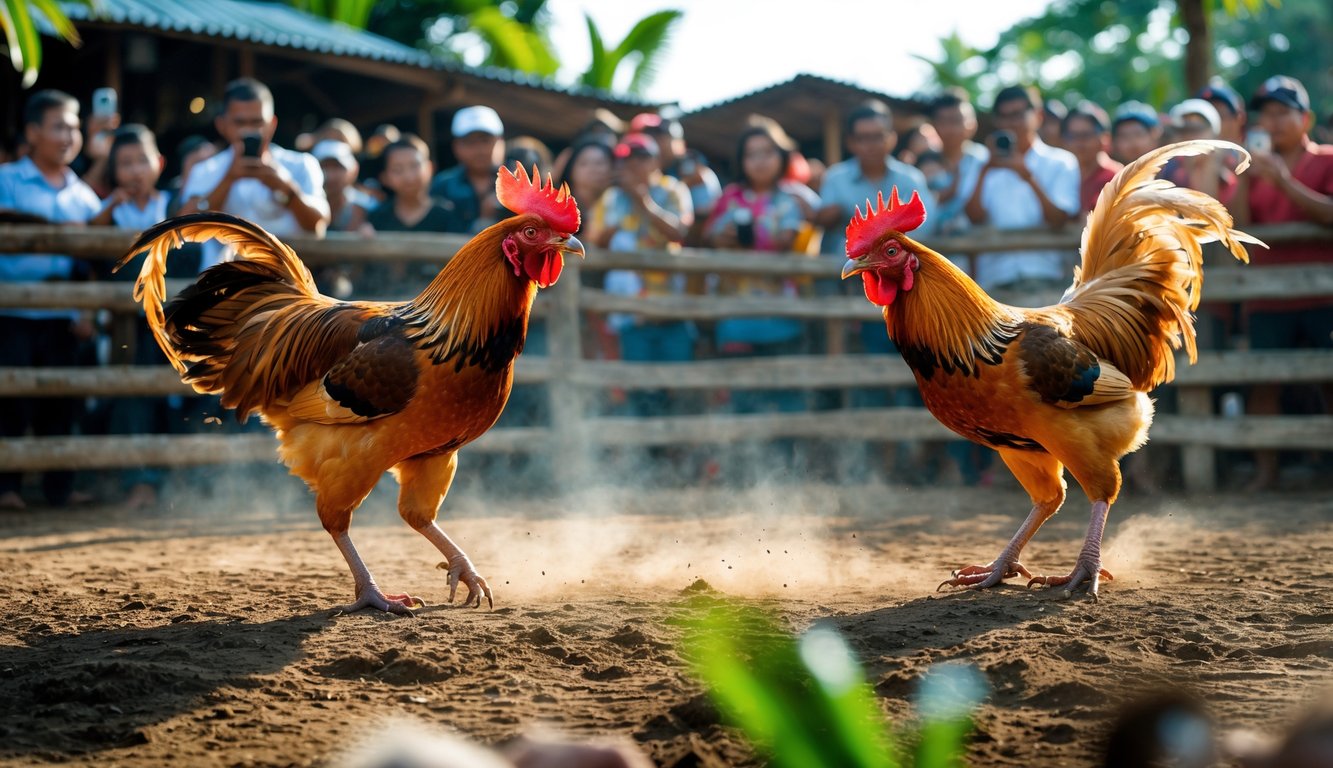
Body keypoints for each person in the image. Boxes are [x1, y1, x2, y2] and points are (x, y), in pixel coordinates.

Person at [1230, 75, 1333, 491]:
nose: (1271, 121)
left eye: (1281, 112)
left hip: (1323, 293)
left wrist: (1282, 181)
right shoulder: (1255, 168)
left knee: (1330, 379)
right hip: (1266, 297)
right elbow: (1239, 224)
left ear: (1304, 118)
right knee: (1263, 380)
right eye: (1265, 113)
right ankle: (1266, 469)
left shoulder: (1327, 159)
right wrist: (1245, 177)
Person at [0, 89, 102, 509]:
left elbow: (96, 260)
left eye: (75, 127)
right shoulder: (6, 180)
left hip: (63, 314)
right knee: (10, 401)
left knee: (63, 401)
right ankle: (6, 489)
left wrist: (86, 310)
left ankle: (60, 487)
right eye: (59, 126)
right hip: (12, 310)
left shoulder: (83, 194)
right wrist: (56, 230)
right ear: (32, 132)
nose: (69, 136)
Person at [85, 125, 175, 509]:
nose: (135, 170)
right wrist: (107, 209)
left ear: (159, 163)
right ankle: (138, 482)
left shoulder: (175, 204)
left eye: (142, 160)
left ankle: (171, 484)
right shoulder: (107, 213)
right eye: (125, 164)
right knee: (131, 397)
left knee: (172, 398)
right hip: (128, 325)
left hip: (175, 322)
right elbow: (89, 251)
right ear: (113, 173)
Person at [587, 132, 694, 421]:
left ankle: (677, 456)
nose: (633, 165)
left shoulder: (672, 190)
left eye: (641, 158)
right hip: (630, 313)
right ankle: (647, 459)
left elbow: (679, 231)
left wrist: (643, 201)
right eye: (626, 159)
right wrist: (606, 235)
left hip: (670, 309)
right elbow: (590, 243)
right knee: (638, 390)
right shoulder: (611, 198)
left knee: (678, 388)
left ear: (656, 160)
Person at [180, 77, 329, 269]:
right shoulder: (206, 170)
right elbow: (183, 229)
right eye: (240, 123)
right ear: (222, 125)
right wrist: (228, 180)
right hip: (223, 286)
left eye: (257, 122)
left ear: (272, 124)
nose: (249, 131)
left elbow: (318, 225)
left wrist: (284, 187)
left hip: (289, 286)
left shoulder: (301, 165)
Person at [965, 85, 1080, 298]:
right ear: (996, 121)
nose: (1011, 122)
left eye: (1018, 114)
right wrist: (985, 170)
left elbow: (1058, 219)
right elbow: (974, 218)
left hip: (1047, 278)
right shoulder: (982, 163)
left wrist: (1028, 177)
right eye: (1004, 116)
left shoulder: (1060, 162)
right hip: (994, 281)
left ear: (1038, 115)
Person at [359, 135, 460, 296]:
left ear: (430, 168)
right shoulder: (377, 218)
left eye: (415, 166)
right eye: (398, 170)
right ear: (385, 178)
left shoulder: (446, 215)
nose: (408, 176)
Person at [632, 112, 721, 246]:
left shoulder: (695, 170)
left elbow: (699, 227)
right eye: (650, 135)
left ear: (679, 142)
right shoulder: (652, 174)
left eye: (660, 135)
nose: (654, 141)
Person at [429, 105, 507, 234]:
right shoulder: (441, 186)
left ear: (500, 141)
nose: (479, 150)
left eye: (485, 141)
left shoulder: (520, 183)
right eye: (470, 142)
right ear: (456, 146)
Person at [924, 87, 989, 238]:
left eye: (956, 120)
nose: (951, 128)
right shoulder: (923, 165)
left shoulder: (986, 161)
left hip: (982, 254)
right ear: (934, 125)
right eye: (944, 121)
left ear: (973, 123)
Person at [1161, 98, 1234, 200]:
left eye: (1197, 129)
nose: (1189, 136)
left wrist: (1210, 168)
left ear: (1213, 133)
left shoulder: (1229, 172)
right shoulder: (1167, 171)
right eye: (1183, 130)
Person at [1061, 100, 1122, 215]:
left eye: (1086, 135)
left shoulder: (1115, 177)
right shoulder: (1061, 172)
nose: (1079, 143)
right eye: (1072, 136)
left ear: (1105, 138)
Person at [313, 139, 373, 232]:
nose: (330, 176)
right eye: (323, 166)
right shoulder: (299, 205)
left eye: (337, 167)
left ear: (354, 170)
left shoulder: (369, 208)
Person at [1110, 100, 1162, 165]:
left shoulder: (1174, 170)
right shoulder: (1111, 173)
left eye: (1138, 134)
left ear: (1155, 134)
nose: (1132, 142)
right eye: (1124, 137)